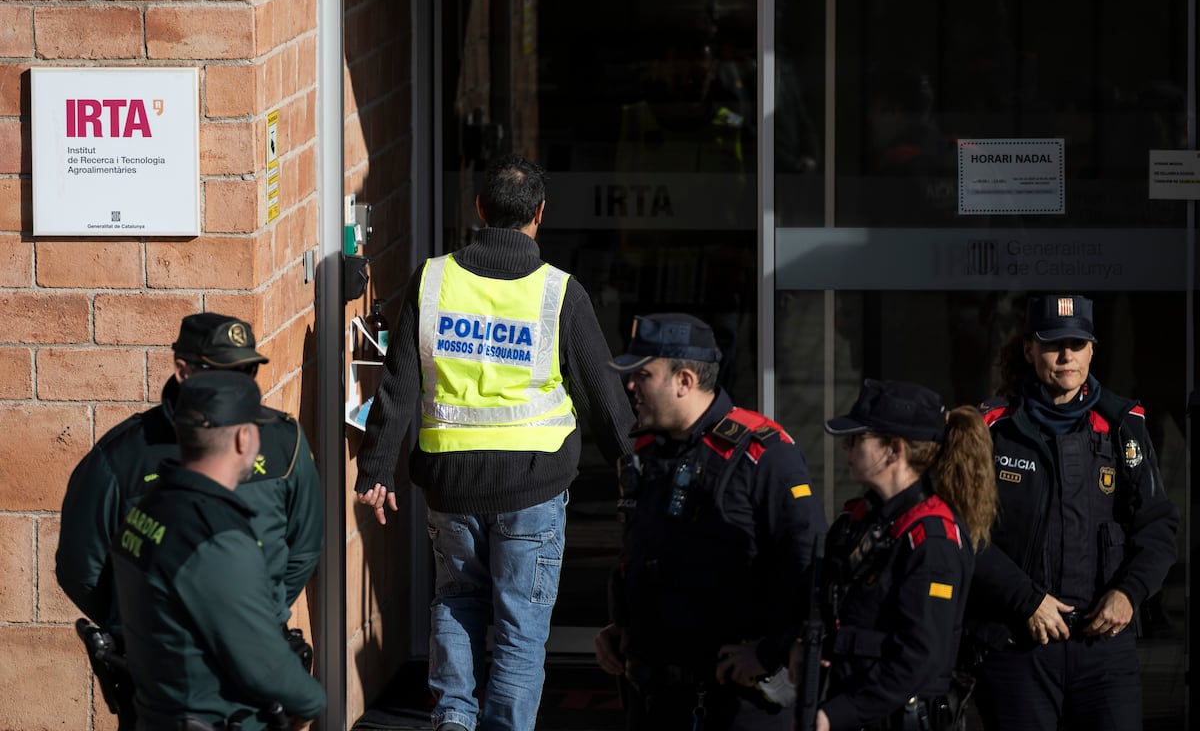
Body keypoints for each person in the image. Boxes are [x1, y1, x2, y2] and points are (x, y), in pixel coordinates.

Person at [354, 153, 634, 731]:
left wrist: (376, 469)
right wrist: (636, 471)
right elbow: (603, 397)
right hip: (532, 484)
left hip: (451, 485)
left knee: (456, 600)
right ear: (540, 214)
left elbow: (399, 385)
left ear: (479, 209)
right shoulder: (560, 293)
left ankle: (454, 719)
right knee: (520, 625)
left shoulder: (432, 280)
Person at [56, 313, 324, 727]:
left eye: (247, 371)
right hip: (171, 683)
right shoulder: (123, 457)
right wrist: (154, 616)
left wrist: (248, 617)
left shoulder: (281, 439)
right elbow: (81, 570)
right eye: (226, 373)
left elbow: (302, 548)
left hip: (257, 666)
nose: (243, 385)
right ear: (183, 371)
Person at [593, 313, 826, 731]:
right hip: (652, 695)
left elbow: (809, 571)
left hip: (734, 702)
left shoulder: (763, 456)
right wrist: (621, 628)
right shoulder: (648, 451)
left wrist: (770, 651)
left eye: (643, 375)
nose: (630, 387)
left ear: (684, 381)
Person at [969, 294, 1179, 731]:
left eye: (1077, 344)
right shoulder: (991, 430)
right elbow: (963, 532)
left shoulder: (1125, 426)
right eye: (1052, 343)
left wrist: (1129, 594)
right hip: (1017, 647)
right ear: (1029, 349)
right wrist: (1025, 600)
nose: (1066, 355)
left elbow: (1158, 527)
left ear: (1092, 350)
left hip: (1104, 650)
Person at [110, 370, 326, 729]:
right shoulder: (216, 538)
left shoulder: (149, 509)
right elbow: (265, 666)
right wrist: (311, 698)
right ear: (244, 438)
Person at [810, 379, 997, 731]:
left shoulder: (932, 539)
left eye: (858, 438)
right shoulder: (863, 520)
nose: (846, 447)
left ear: (894, 450)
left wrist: (838, 713)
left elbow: (920, 657)